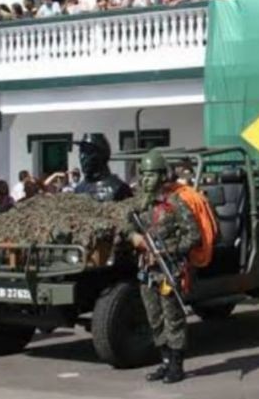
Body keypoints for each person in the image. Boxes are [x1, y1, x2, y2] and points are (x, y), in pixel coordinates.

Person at [129, 149, 201, 384]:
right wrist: (134, 238)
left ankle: (177, 365)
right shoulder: (139, 203)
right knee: (154, 317)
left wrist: (168, 250)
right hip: (148, 271)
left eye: (150, 175)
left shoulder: (175, 203)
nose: (145, 179)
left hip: (170, 268)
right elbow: (124, 224)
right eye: (143, 175)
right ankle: (164, 362)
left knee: (173, 317)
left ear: (162, 176)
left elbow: (193, 236)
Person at [73, 133, 132, 201]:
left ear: (101, 154)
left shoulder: (119, 188)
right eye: (81, 152)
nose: (82, 157)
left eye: (88, 152)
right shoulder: (79, 189)